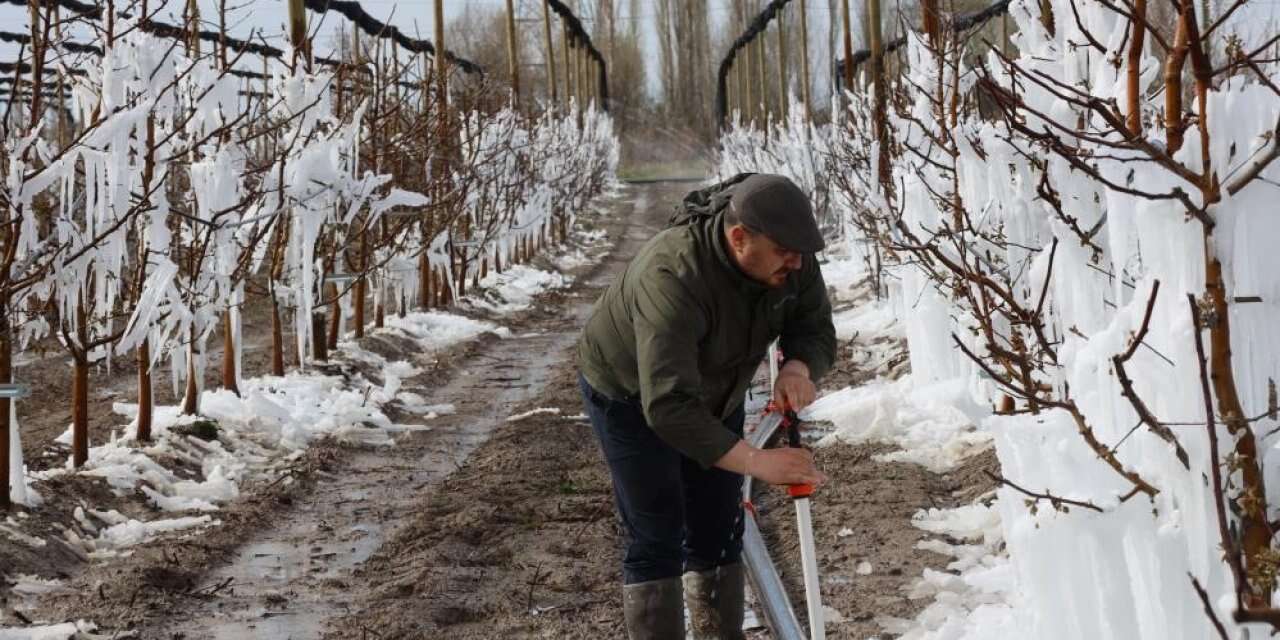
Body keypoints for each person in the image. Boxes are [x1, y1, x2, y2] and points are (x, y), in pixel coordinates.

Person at [577, 173, 835, 639]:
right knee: (658, 530)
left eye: (801, 252)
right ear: (739, 239)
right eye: (784, 253)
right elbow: (670, 407)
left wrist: (798, 367)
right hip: (632, 394)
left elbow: (813, 325)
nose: (797, 263)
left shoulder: (790, 255)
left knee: (718, 526)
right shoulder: (673, 275)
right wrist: (758, 462)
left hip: (718, 387)